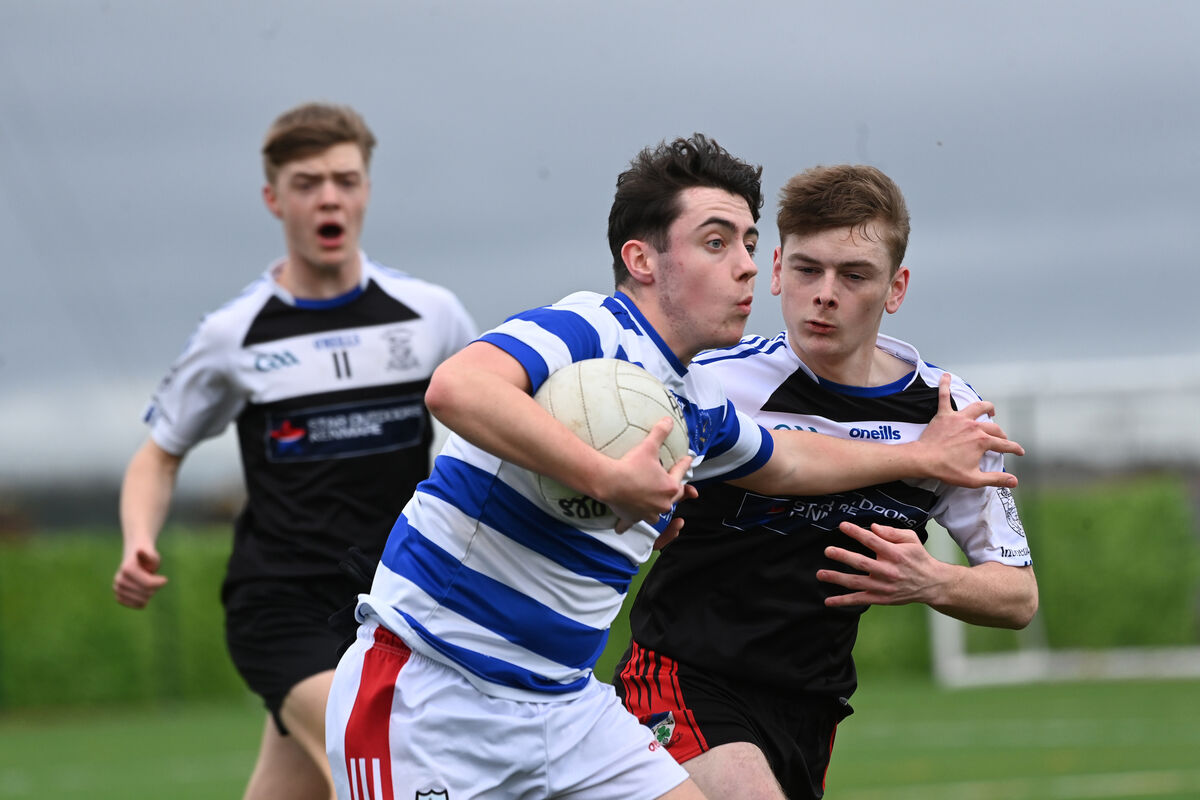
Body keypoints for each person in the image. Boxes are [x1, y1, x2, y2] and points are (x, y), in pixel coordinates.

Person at [324, 137, 1024, 800]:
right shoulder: (588, 327)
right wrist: (607, 481)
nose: (749, 265)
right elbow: (458, 387)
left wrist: (920, 457)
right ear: (643, 260)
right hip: (433, 688)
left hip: (565, 704)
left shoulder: (700, 399)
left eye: (749, 243)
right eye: (717, 243)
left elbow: (786, 461)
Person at [614, 164, 1039, 799]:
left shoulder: (947, 413)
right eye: (809, 270)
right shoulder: (711, 382)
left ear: (895, 288)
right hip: (681, 674)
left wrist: (933, 581)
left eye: (855, 275)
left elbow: (1018, 596)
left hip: (813, 706)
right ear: (778, 270)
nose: (825, 293)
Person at [111, 102, 477, 800]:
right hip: (282, 601)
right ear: (274, 198)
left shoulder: (431, 315)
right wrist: (137, 539)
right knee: (376, 758)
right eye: (308, 182)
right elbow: (158, 455)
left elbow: (502, 424)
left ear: (366, 189)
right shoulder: (234, 334)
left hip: (397, 598)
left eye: (345, 178)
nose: (329, 196)